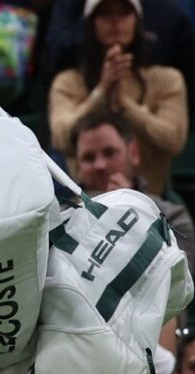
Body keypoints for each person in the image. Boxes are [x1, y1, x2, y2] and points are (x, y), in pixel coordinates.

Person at [48, 0, 188, 196]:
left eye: (124, 13)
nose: (115, 21)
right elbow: (60, 138)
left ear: (137, 21)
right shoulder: (67, 82)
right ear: (91, 23)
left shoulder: (167, 80)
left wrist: (125, 105)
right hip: (87, 203)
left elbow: (173, 140)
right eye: (105, 14)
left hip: (153, 200)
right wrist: (101, 92)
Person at [70, 110, 195, 278]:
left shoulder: (173, 216)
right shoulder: (62, 220)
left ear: (133, 153)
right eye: (88, 157)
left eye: (109, 153)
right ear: (78, 168)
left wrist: (132, 207)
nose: (99, 165)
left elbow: (179, 279)